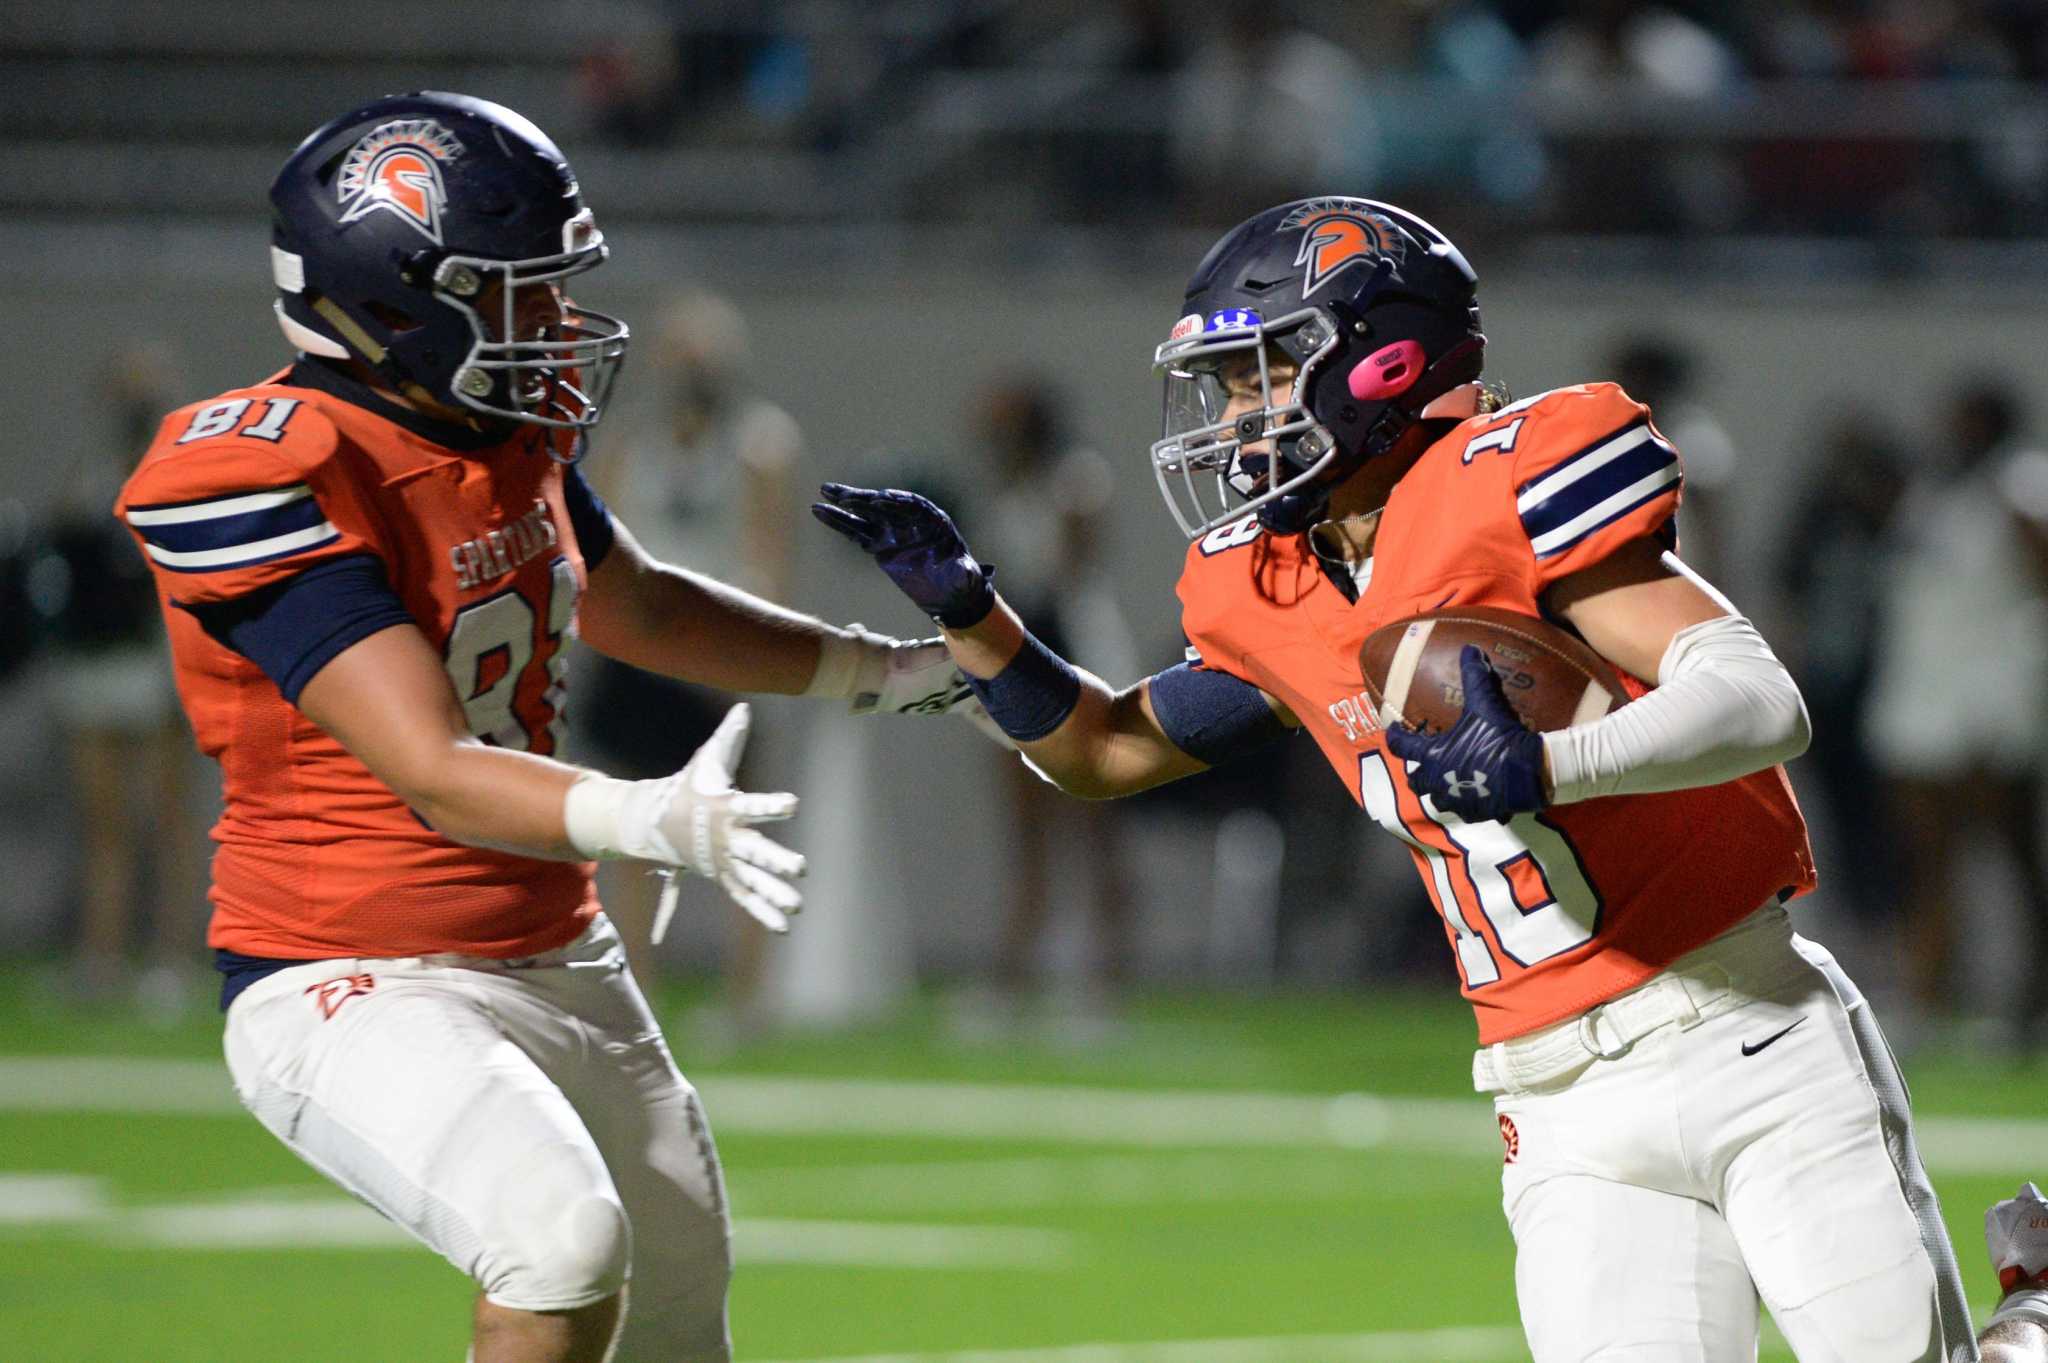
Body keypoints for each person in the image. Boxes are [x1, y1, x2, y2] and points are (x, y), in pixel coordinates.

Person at [817, 196, 1983, 1360]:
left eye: (1259, 374)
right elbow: (1102, 748)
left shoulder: (1502, 484)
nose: (1230, 417)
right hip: (1552, 1102)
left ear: (1382, 363)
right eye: (1223, 385)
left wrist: (1542, 761)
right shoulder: (1267, 584)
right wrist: (974, 616)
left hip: (1746, 1029)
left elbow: (1754, 696)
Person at [113, 92, 981, 1363]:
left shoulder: (500, 423)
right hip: (352, 971)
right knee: (560, 1241)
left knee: (681, 1326)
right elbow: (430, 769)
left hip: (555, 948)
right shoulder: (267, 464)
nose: (557, 323)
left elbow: (631, 601)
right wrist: (646, 816)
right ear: (396, 299)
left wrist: (888, 671)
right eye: (518, 292)